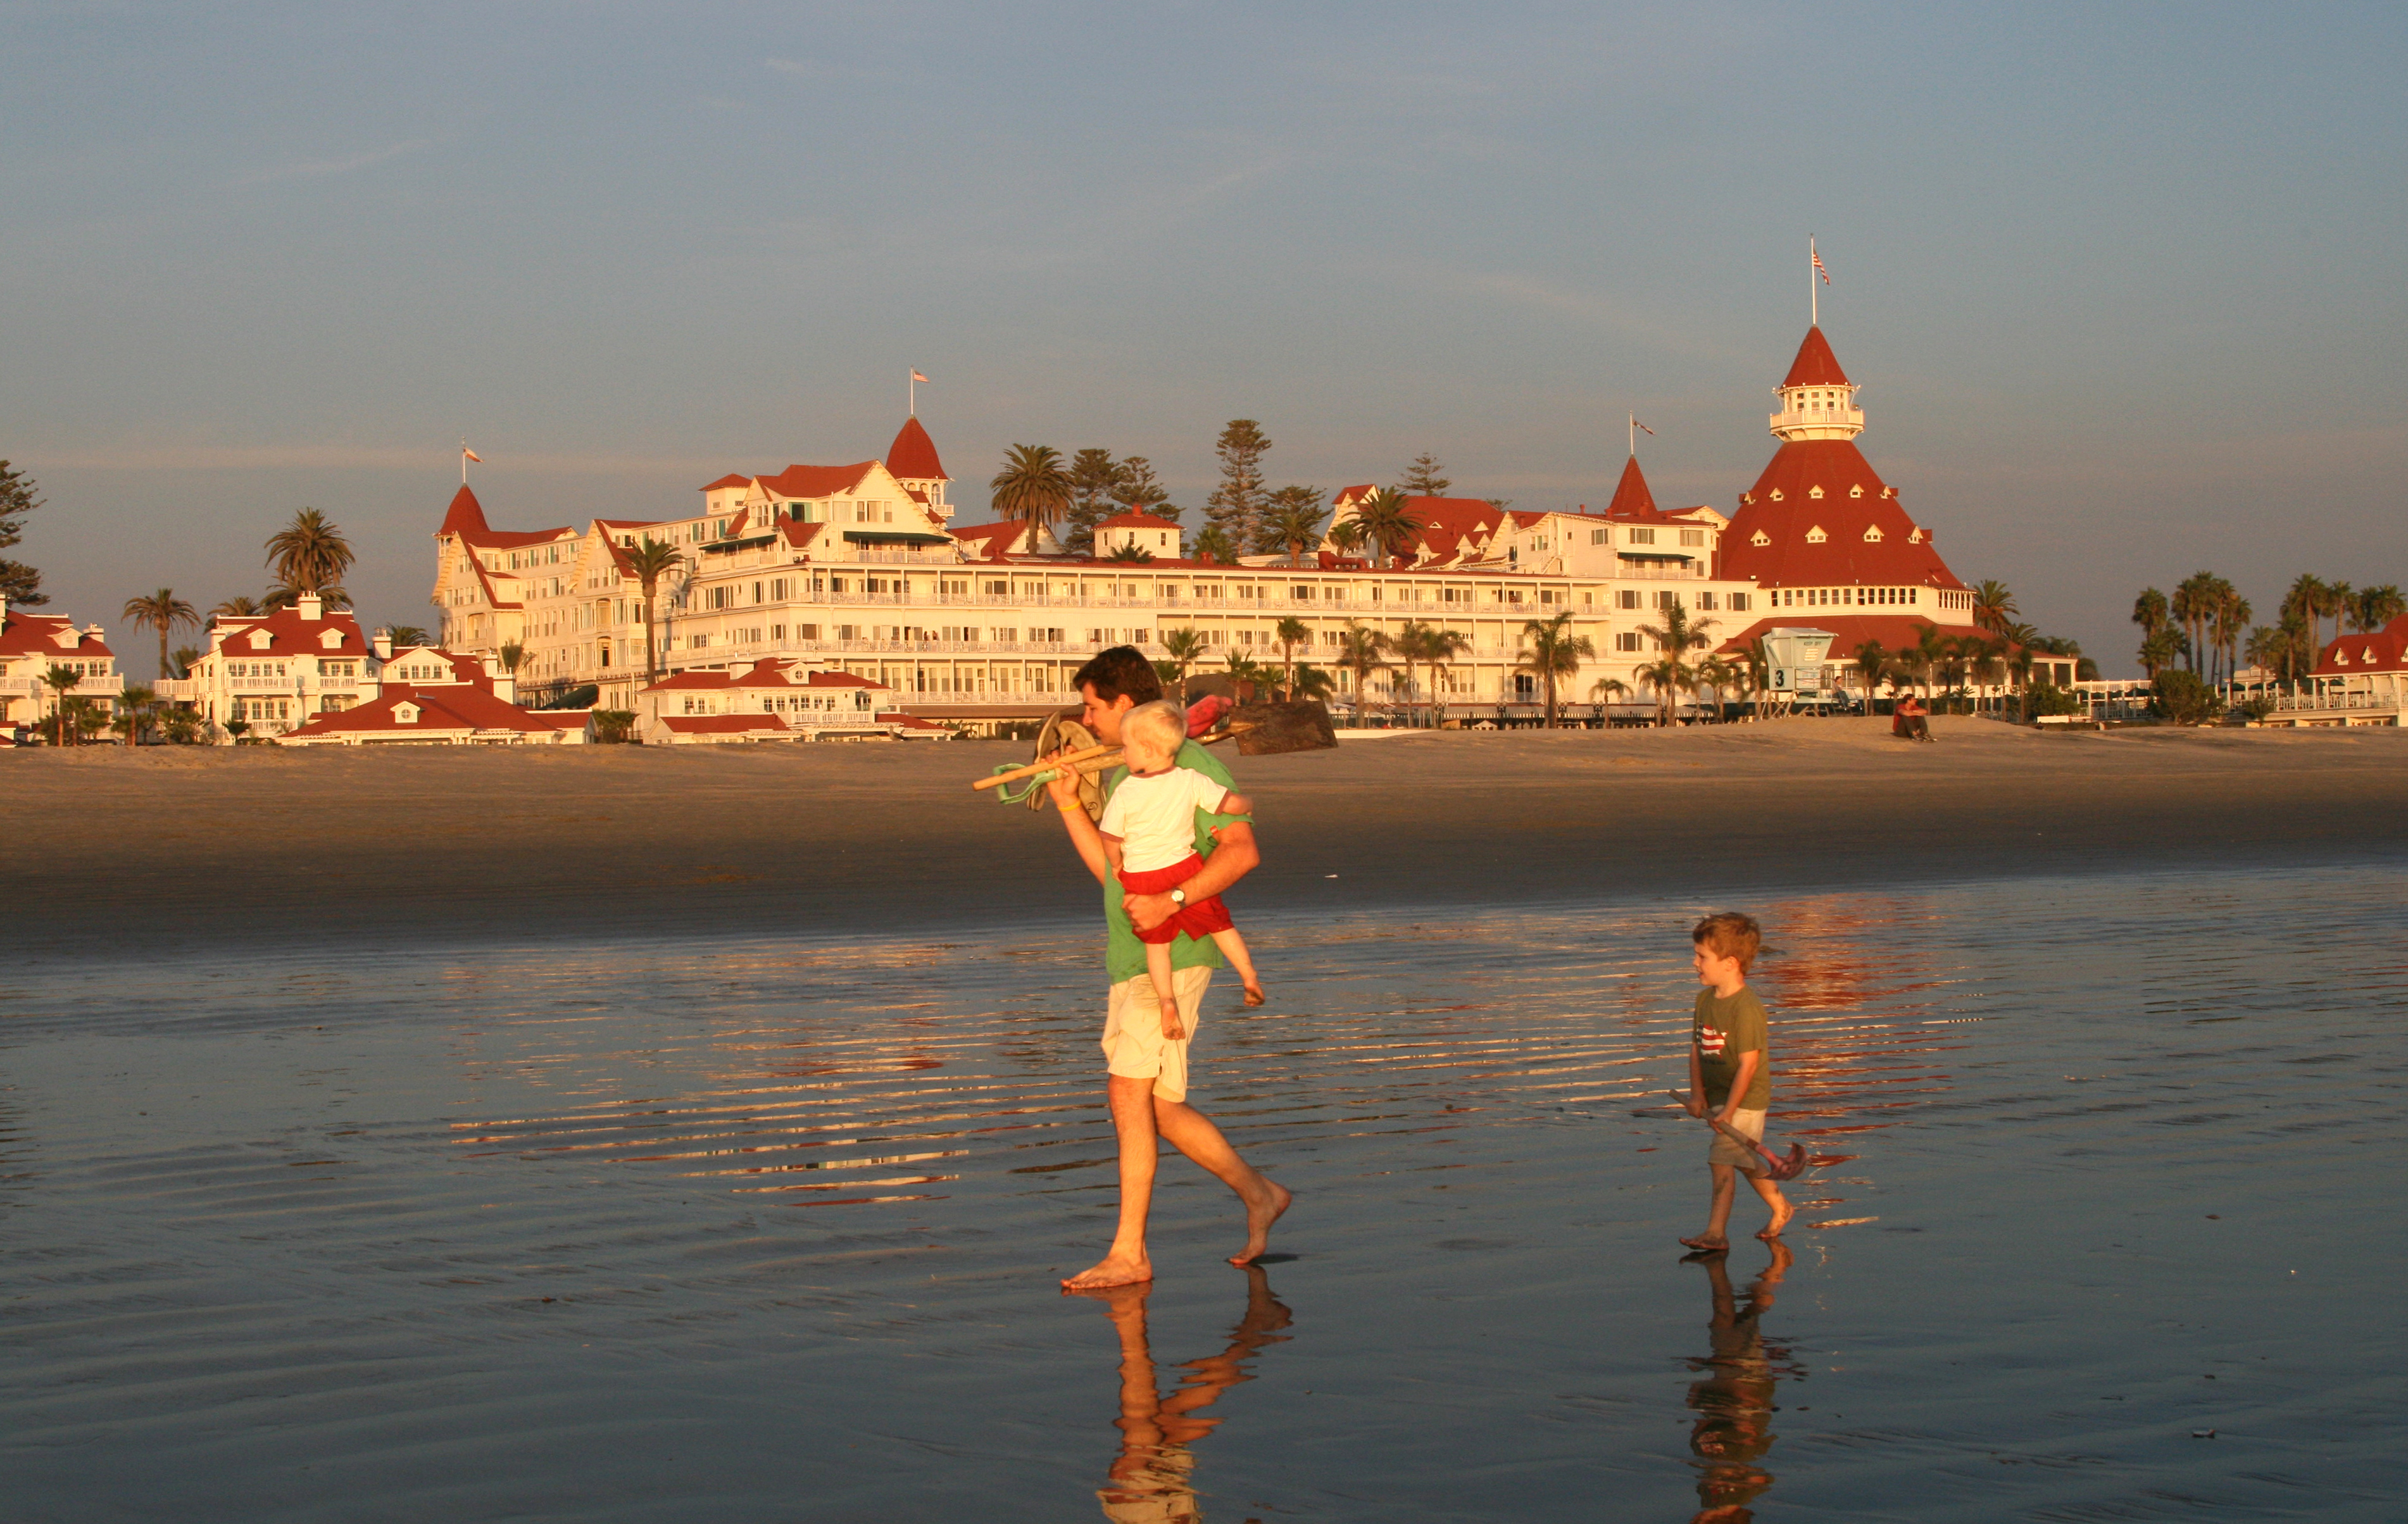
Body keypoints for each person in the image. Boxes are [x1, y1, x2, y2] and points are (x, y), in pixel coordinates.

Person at [1044, 647, 1290, 1290]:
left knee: (1127, 1091)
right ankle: (1260, 1193)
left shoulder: (1189, 765)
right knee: (1159, 1104)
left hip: (1176, 947)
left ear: (1127, 706)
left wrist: (1173, 898)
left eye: (1093, 706)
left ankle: (1130, 1251)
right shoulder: (1132, 774)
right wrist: (1070, 802)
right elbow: (1114, 875)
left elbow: (1242, 850)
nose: (1086, 718)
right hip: (1132, 953)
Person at [1096, 698, 1267, 1037]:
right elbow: (1227, 803)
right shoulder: (1190, 779)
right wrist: (1248, 802)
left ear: (1146, 749)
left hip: (1143, 877)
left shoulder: (1127, 790)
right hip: (1183, 868)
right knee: (1221, 926)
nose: (1124, 754)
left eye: (1127, 747)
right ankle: (1249, 977)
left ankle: (1167, 1003)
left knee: (1156, 946)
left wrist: (1117, 865)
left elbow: (1110, 837)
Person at [1680, 912, 1793, 1252]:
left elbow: (1748, 1065)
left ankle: (1716, 1233)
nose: (1694, 962)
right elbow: (1696, 1050)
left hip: (1745, 1100)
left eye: (1702, 956)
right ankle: (1781, 1208)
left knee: (1721, 1160)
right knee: (1744, 1163)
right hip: (1717, 1096)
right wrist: (1697, 1094)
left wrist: (1729, 1111)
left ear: (1730, 963)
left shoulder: (1747, 1008)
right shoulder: (1705, 1000)